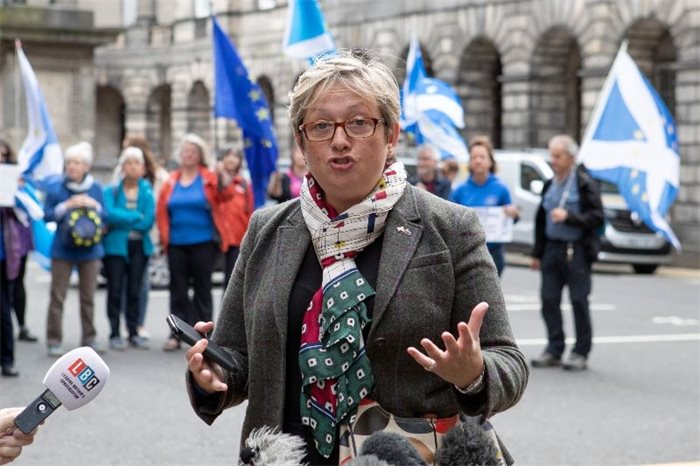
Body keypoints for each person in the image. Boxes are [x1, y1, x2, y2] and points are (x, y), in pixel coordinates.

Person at [183, 50, 528, 465]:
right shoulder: (268, 230)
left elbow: (508, 363)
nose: (340, 140)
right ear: (301, 142)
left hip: (406, 456)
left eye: (359, 122)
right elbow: (237, 357)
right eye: (321, 126)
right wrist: (213, 374)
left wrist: (473, 375)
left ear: (392, 135)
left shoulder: (450, 227)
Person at [530, 134, 604, 372]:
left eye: (558, 156)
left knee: (578, 300)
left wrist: (570, 217)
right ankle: (554, 347)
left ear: (571, 158)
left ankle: (581, 351)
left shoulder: (584, 184)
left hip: (576, 250)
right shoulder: (550, 184)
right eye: (551, 155)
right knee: (548, 299)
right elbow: (541, 220)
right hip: (552, 248)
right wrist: (537, 252)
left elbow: (597, 217)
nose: (553, 160)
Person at [157, 133, 235, 351]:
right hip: (176, 243)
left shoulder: (209, 177)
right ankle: (176, 334)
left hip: (203, 242)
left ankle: (203, 334)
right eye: (185, 152)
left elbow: (226, 195)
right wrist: (163, 238)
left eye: (192, 152)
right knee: (178, 290)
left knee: (203, 288)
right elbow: (162, 209)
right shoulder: (171, 180)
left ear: (200, 155)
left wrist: (223, 177)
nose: (188, 155)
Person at [44, 142, 105, 357]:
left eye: (77, 163)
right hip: (63, 250)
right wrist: (66, 206)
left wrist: (92, 204)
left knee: (88, 297)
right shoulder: (57, 188)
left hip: (90, 251)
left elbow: (105, 216)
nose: (72, 167)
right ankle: (54, 339)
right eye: (69, 162)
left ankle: (89, 338)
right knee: (57, 297)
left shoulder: (95, 188)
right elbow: (47, 215)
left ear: (86, 166)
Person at [103, 147, 154, 351]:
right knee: (115, 290)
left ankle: (133, 331)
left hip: (139, 246)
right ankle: (114, 332)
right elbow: (109, 214)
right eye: (128, 163)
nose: (132, 167)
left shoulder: (147, 190)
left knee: (134, 290)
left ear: (142, 167)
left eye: (136, 163)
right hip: (116, 247)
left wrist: (123, 219)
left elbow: (148, 221)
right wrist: (134, 217)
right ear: (122, 167)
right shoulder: (112, 190)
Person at [119, 135, 169, 340]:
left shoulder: (158, 176)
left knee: (140, 282)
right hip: (123, 236)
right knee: (125, 283)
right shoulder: (119, 173)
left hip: (148, 235)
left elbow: (158, 205)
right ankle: (130, 323)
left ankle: (137, 322)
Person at [450, 136, 520, 276]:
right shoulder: (459, 191)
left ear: (490, 161)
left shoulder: (501, 189)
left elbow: (511, 219)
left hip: (493, 253)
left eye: (482, 156)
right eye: (474, 157)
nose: (478, 160)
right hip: (467, 253)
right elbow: (450, 220)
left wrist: (514, 214)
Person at [0, 140, 37, 343]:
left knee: (16, 285)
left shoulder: (18, 180)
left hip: (15, 244)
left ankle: (21, 325)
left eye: (4, 156)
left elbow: (33, 211)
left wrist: (18, 192)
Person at [216, 148, 254, 288]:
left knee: (232, 279)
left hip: (238, 237)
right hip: (218, 235)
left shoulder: (243, 183)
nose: (231, 159)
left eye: (235, 156)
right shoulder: (216, 180)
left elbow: (249, 209)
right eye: (228, 155)